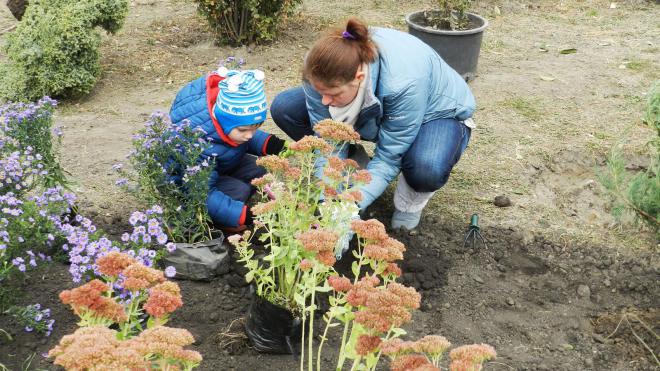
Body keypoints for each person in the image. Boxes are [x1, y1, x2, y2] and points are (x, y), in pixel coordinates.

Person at [270, 18, 475, 231]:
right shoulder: (317, 67)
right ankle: (354, 165)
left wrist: (350, 207)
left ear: (358, 78)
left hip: (435, 112)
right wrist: (328, 203)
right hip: (374, 102)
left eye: (333, 94)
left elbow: (388, 156)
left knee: (426, 167)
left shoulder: (403, 84)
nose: (325, 102)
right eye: (321, 93)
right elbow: (326, 142)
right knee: (286, 108)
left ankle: (409, 199)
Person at [169, 68, 286, 231]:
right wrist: (242, 215)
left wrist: (269, 143)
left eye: (255, 128)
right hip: (193, 183)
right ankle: (220, 223)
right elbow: (203, 194)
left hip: (223, 163)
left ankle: (268, 196)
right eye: (244, 130)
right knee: (239, 190)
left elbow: (245, 131)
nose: (250, 136)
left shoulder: (230, 124)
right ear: (224, 122)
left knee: (263, 166)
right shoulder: (199, 143)